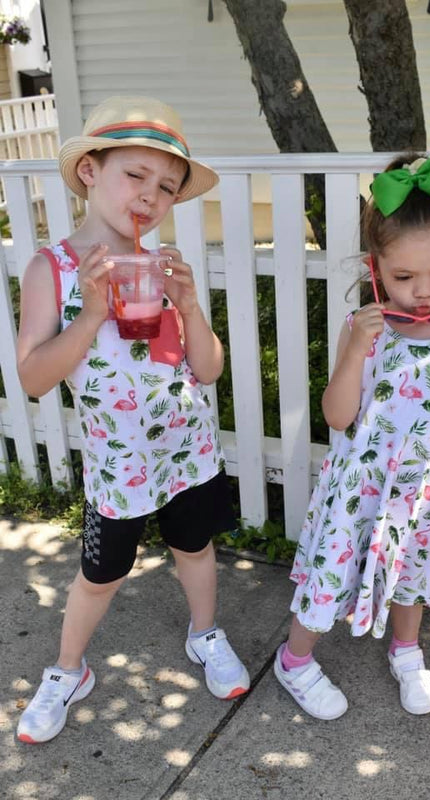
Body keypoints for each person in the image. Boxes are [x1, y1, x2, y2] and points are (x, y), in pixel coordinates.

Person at [16, 96, 249, 744]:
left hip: (187, 450)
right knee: (101, 575)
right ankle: (67, 671)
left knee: (194, 547)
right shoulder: (53, 269)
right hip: (119, 464)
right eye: (135, 175)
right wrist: (89, 314)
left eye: (167, 187)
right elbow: (34, 378)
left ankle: (205, 634)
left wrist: (191, 306)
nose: (151, 196)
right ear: (90, 170)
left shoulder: (165, 264)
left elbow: (205, 370)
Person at [274, 140, 430, 720]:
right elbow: (337, 415)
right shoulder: (365, 329)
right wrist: (354, 349)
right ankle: (295, 659)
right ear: (376, 270)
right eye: (404, 276)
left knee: (413, 574)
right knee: (332, 570)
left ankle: (405, 651)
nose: (423, 291)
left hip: (428, 492)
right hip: (360, 488)